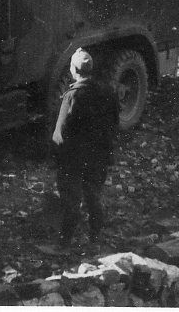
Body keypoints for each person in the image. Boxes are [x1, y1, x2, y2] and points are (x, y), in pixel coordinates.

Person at [51, 49, 119, 249]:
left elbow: (59, 134)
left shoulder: (72, 96)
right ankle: (95, 237)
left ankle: (64, 243)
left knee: (71, 200)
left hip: (74, 159)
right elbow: (115, 123)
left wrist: (56, 157)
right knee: (93, 196)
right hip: (99, 156)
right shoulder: (109, 92)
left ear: (73, 70)